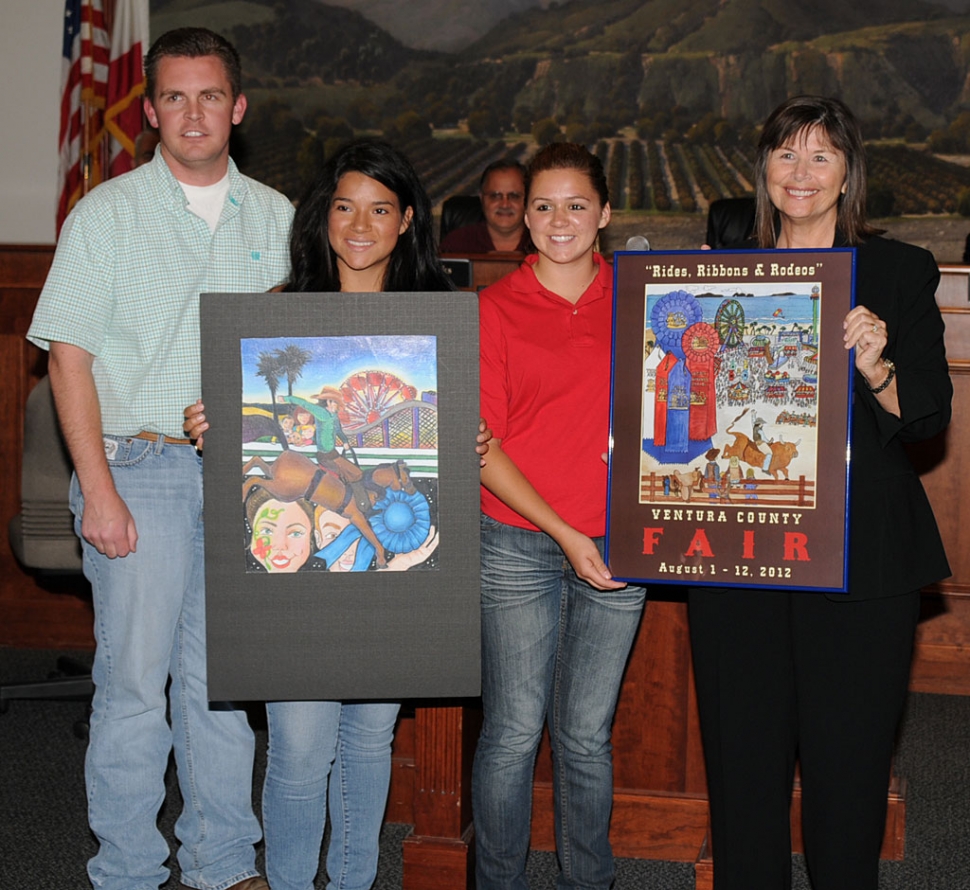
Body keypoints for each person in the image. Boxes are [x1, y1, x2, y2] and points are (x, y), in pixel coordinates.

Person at [26, 28, 293, 890]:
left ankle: (222, 863)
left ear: (237, 108)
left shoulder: (280, 217)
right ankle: (130, 870)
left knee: (222, 689)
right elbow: (66, 357)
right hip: (135, 467)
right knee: (136, 692)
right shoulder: (105, 214)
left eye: (209, 95)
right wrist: (97, 494)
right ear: (149, 112)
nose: (192, 113)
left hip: (243, 481)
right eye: (174, 97)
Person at [688, 96, 951, 890]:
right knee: (743, 773)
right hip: (737, 554)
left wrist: (877, 367)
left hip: (861, 560)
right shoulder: (716, 273)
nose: (801, 173)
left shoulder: (898, 270)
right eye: (786, 154)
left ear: (847, 175)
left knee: (849, 770)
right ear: (763, 170)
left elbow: (927, 415)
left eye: (821, 156)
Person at [185, 138, 457, 890]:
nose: (360, 225)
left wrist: (473, 434)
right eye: (345, 207)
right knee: (302, 748)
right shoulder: (277, 314)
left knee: (370, 741)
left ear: (406, 221)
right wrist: (216, 423)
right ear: (323, 217)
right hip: (295, 572)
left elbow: (461, 437)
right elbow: (244, 437)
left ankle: (354, 880)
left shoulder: (441, 320)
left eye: (379, 209)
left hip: (394, 581)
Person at [474, 142, 647, 890]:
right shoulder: (492, 308)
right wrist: (568, 534)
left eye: (577, 204)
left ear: (605, 214)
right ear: (523, 216)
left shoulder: (648, 301)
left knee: (583, 738)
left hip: (625, 543)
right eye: (542, 205)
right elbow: (483, 448)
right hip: (517, 544)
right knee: (513, 735)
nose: (558, 220)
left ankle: (591, 882)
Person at [440, 158, 532, 253]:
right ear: (482, 199)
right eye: (495, 196)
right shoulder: (456, 244)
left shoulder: (541, 243)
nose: (505, 205)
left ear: (527, 200)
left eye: (514, 196)